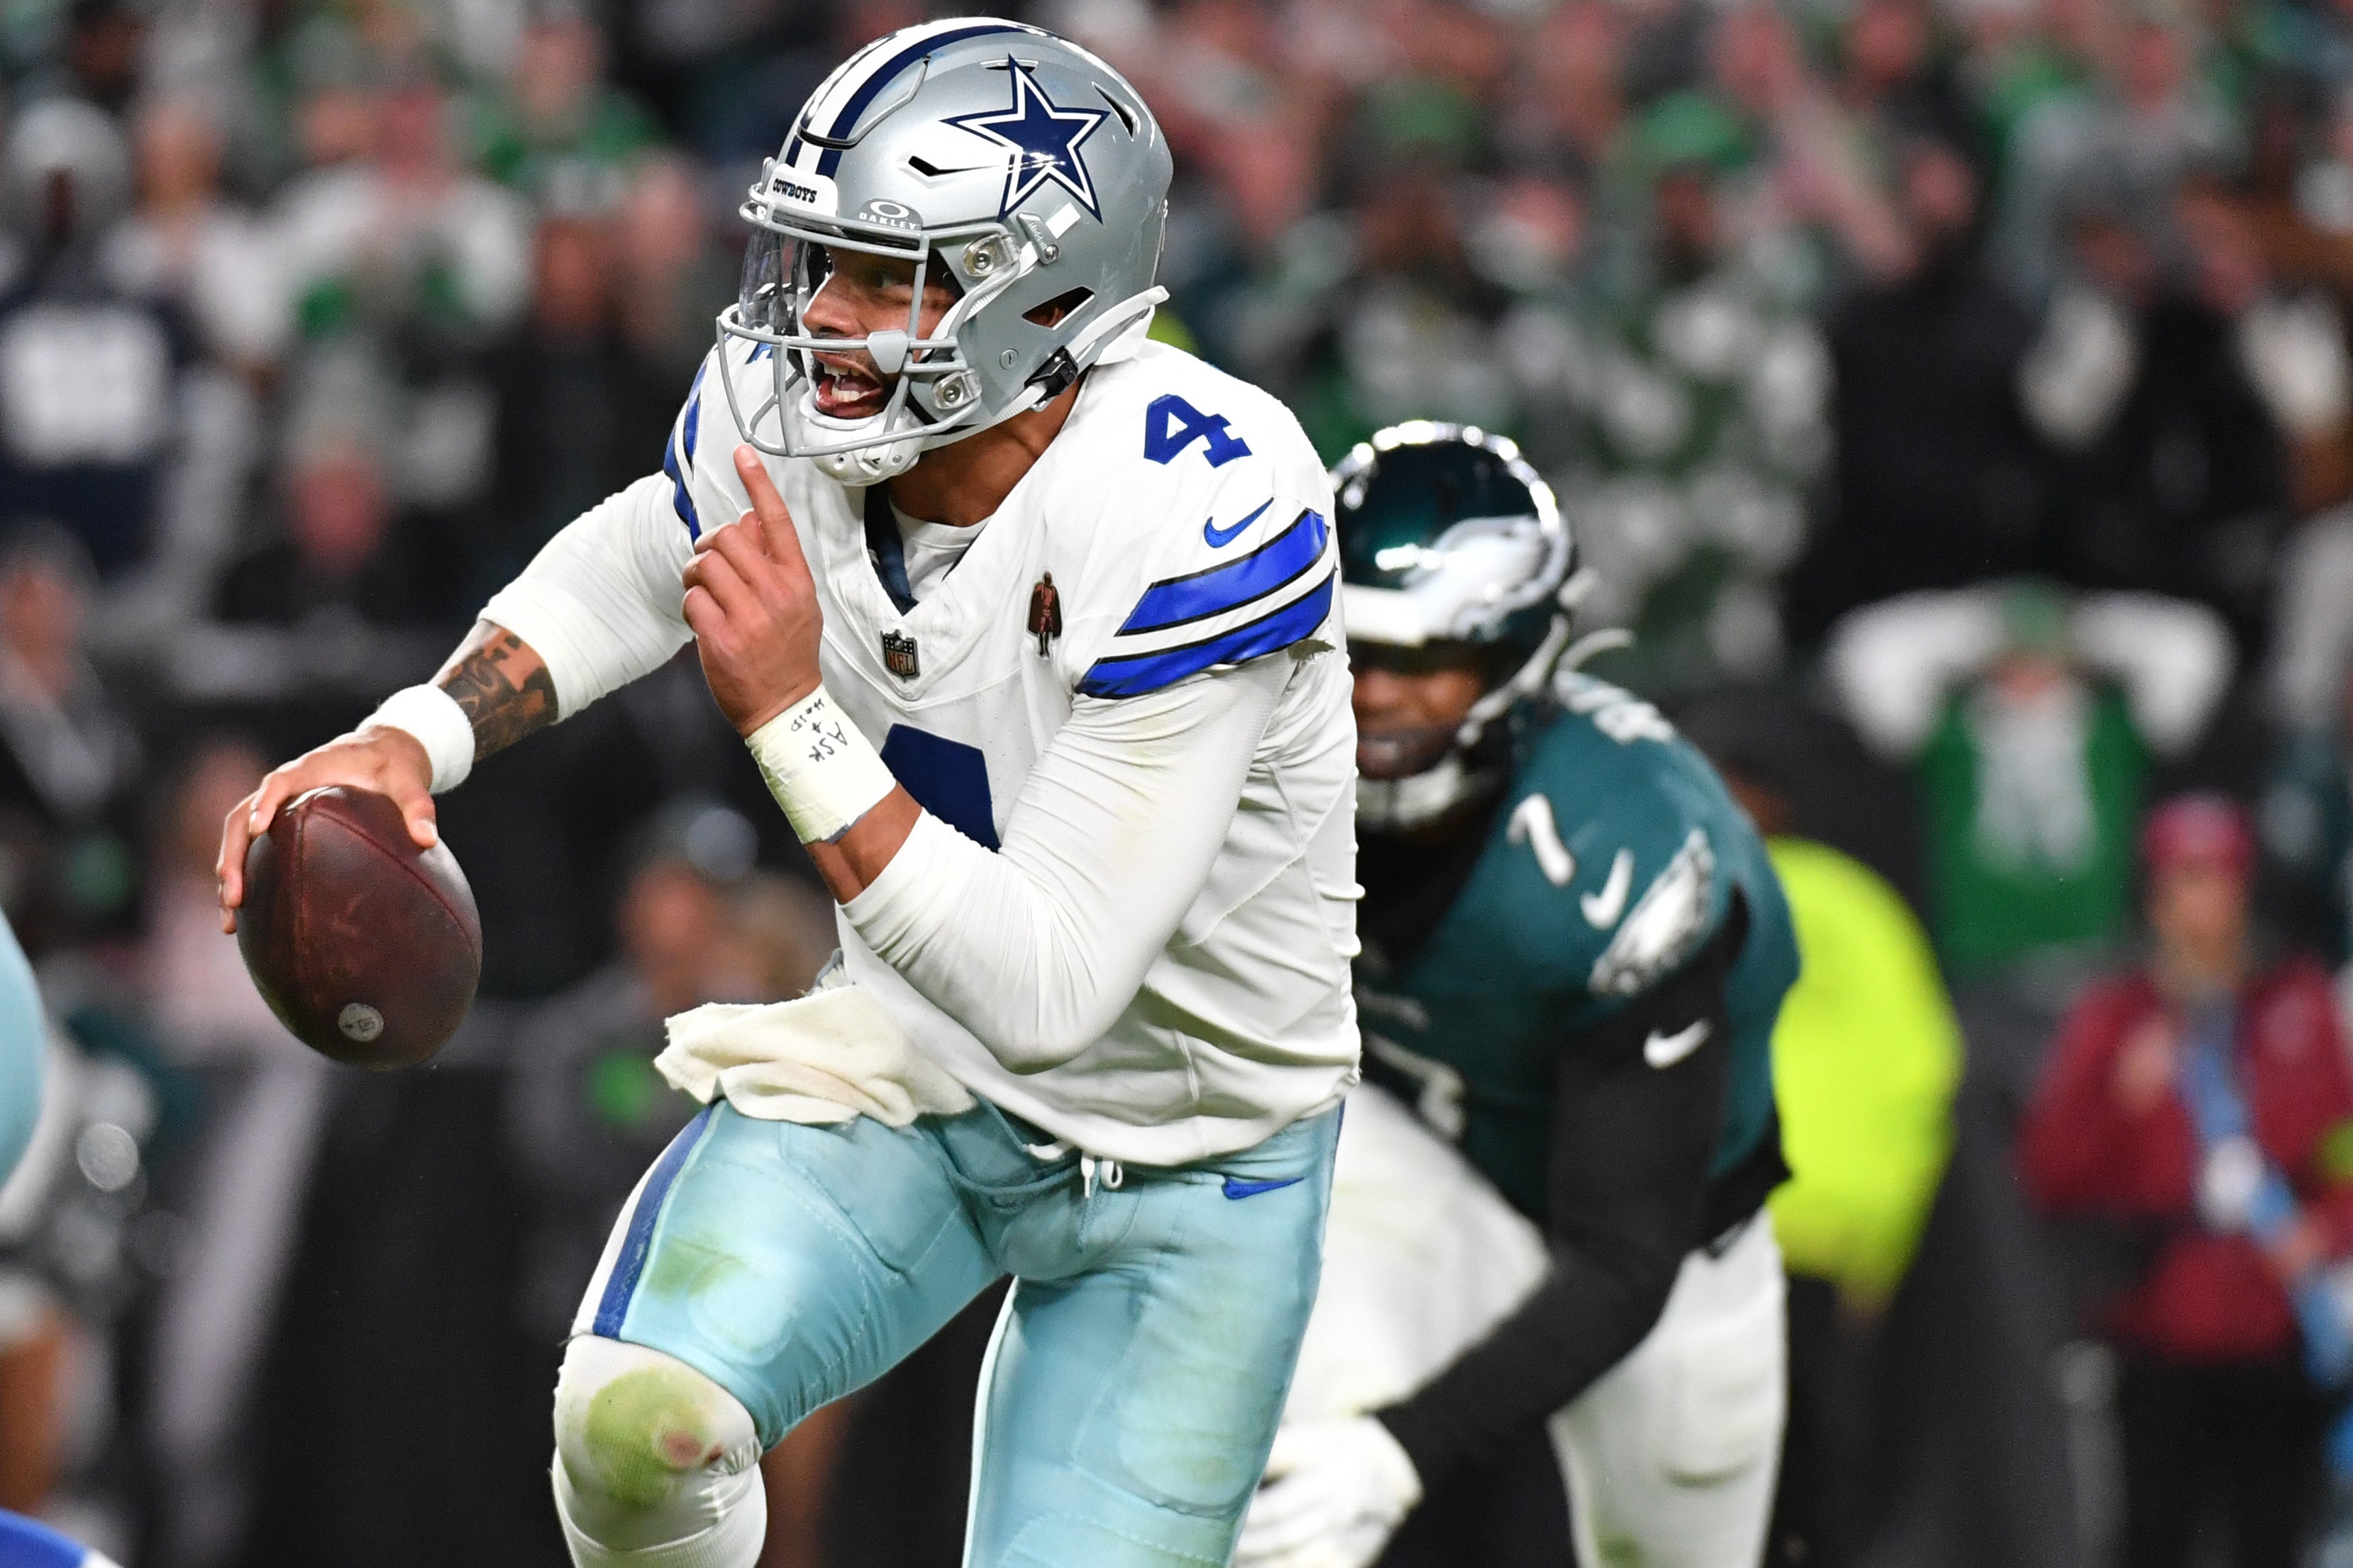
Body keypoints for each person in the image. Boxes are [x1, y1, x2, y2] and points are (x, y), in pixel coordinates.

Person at [216, 21, 1356, 1568]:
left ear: (1049, 295)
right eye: (823, 261)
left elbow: (1050, 981)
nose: (824, 316)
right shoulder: (811, 412)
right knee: (634, 1433)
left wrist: (792, 718)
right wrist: (417, 732)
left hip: (1188, 1151)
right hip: (916, 1074)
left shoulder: (1193, 497)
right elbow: (649, 548)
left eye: (890, 276)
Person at [1240, 424, 1799, 1568]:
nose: (1380, 699)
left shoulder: (1619, 854)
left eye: (1427, 660)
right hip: (1404, 1164)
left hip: (1658, 1249)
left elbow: (1624, 1260)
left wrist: (1407, 1447)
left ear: (1515, 659)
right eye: (1358, 649)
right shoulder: (1246, 754)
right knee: (1296, 1498)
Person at [2021, 795, 2353, 1568]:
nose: (2197, 908)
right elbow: (2049, 1172)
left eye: (2214, 882)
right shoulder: (2113, 1017)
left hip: (2272, 1326)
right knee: (2151, 1536)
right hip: (2156, 1331)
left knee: (2270, 1535)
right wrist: (2120, 1098)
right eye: (2178, 886)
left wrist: (2325, 1230)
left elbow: (2340, 1150)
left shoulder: (2293, 1004)